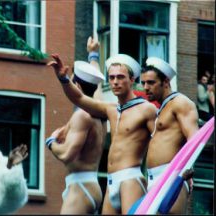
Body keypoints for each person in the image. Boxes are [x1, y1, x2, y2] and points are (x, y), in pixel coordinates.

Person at [48, 49, 157, 214]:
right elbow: (79, 98)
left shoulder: (146, 109)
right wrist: (63, 79)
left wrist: (164, 176)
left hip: (131, 179)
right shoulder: (110, 109)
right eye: (111, 77)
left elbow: (161, 140)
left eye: (120, 77)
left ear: (132, 80)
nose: (115, 82)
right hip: (111, 181)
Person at [46, 37, 107, 214]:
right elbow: (98, 85)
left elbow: (67, 155)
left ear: (77, 85)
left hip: (81, 188)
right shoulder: (99, 108)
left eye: (71, 81)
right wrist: (93, 55)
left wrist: (51, 142)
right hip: (91, 185)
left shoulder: (82, 115)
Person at [140, 57, 199, 214]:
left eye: (151, 83)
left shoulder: (180, 102)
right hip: (154, 179)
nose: (146, 87)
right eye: (143, 83)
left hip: (173, 176)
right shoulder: (162, 108)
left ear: (165, 81)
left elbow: (195, 139)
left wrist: (186, 170)